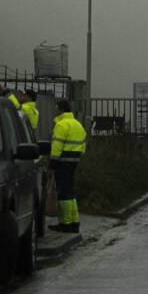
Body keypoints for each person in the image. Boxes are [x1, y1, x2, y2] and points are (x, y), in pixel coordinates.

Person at [49, 99, 87, 233]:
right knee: (70, 192)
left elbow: (57, 145)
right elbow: (83, 147)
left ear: (60, 109)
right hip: (73, 162)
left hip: (62, 162)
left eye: (56, 108)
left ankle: (65, 223)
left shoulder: (61, 125)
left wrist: (52, 162)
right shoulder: (78, 124)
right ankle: (74, 222)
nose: (54, 110)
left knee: (63, 193)